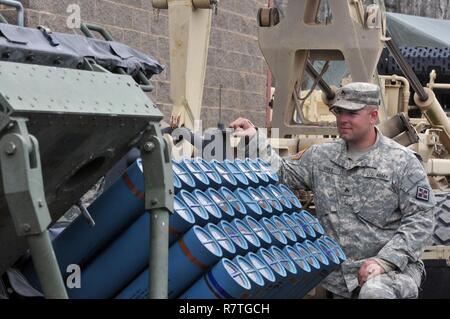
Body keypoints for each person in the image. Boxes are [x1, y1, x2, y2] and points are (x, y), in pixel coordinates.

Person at [229, 82, 435, 299]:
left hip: (391, 271)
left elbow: (421, 219)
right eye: (339, 111)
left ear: (373, 116)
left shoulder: (403, 163)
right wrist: (253, 140)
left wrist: (384, 261)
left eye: (352, 113)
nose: (343, 119)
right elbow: (281, 173)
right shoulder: (321, 157)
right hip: (338, 276)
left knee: (374, 294)